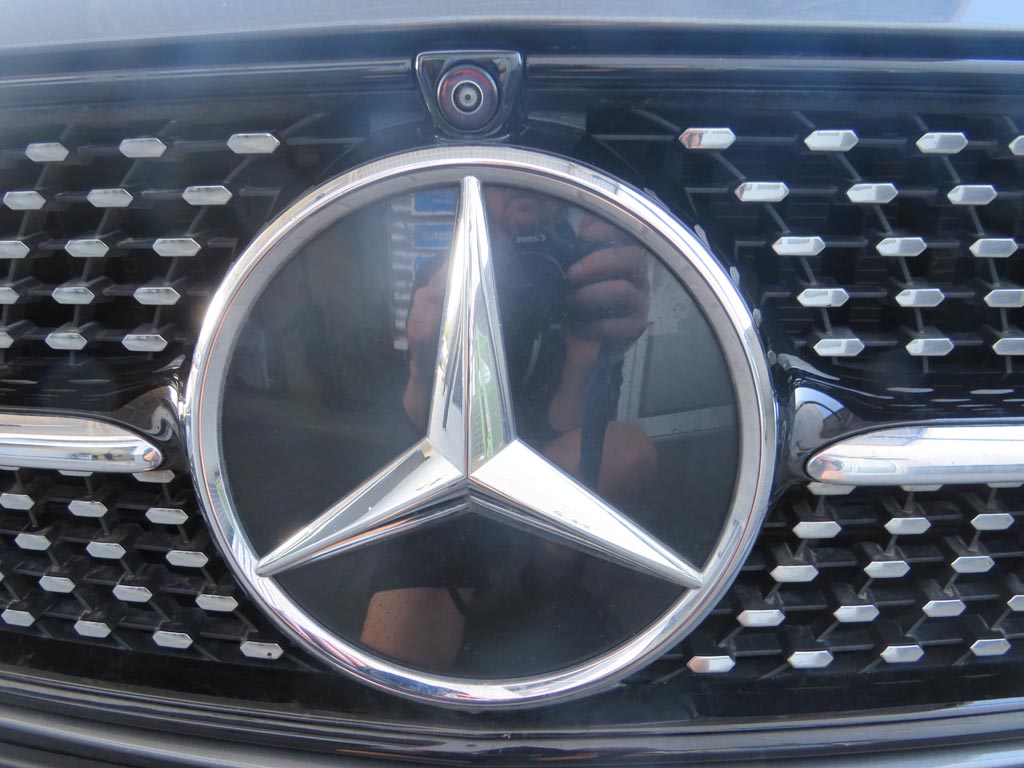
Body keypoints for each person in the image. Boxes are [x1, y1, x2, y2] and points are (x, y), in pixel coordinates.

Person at [360, 186, 658, 673]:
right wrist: (424, 363)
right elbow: (420, 426)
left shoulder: (583, 270)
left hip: (543, 459)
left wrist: (584, 356)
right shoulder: (446, 270)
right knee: (397, 663)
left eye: (535, 172)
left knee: (625, 452)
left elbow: (574, 427)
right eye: (504, 177)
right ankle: (494, 573)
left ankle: (544, 577)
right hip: (454, 459)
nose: (521, 192)